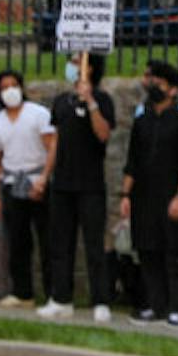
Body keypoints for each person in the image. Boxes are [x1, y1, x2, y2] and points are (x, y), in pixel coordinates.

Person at [120, 60, 178, 326]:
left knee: (172, 252)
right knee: (147, 250)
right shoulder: (142, 121)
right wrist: (125, 196)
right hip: (143, 195)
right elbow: (132, 161)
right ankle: (155, 304)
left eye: (160, 83)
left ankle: (177, 307)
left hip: (171, 194)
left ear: (173, 90)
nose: (153, 87)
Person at [40, 52, 116, 323]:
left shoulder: (103, 100)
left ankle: (101, 300)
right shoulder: (61, 102)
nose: (70, 67)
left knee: (94, 243)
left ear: (88, 68)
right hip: (63, 183)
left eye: (76, 62)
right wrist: (46, 175)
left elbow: (104, 134)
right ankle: (61, 298)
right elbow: (56, 141)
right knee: (60, 244)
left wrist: (91, 103)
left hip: (90, 184)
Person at [0, 67, 55, 308]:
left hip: (38, 181)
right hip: (12, 184)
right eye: (4, 88)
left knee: (48, 239)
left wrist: (44, 178)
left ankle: (54, 293)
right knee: (17, 241)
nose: (9, 91)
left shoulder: (38, 114)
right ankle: (23, 292)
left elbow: (51, 146)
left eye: (13, 85)